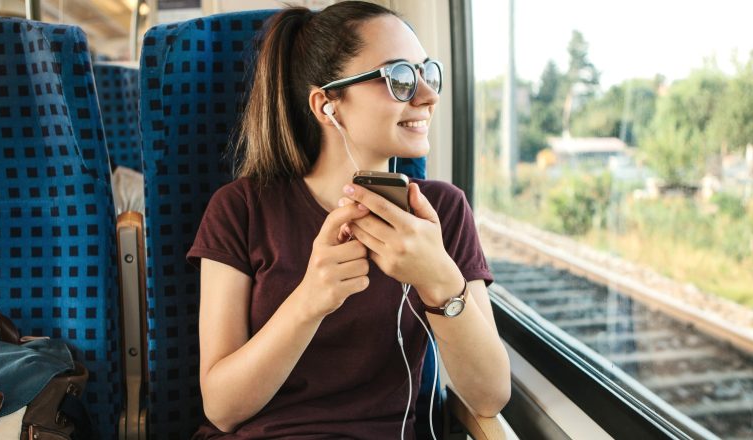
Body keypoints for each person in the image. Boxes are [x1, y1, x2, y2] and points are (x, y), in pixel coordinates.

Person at [186, 2, 510, 438]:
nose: (428, 96)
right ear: (327, 104)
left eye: (427, 73)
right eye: (399, 78)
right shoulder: (240, 209)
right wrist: (311, 299)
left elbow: (490, 396)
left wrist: (439, 281)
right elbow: (223, 409)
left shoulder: (443, 213)